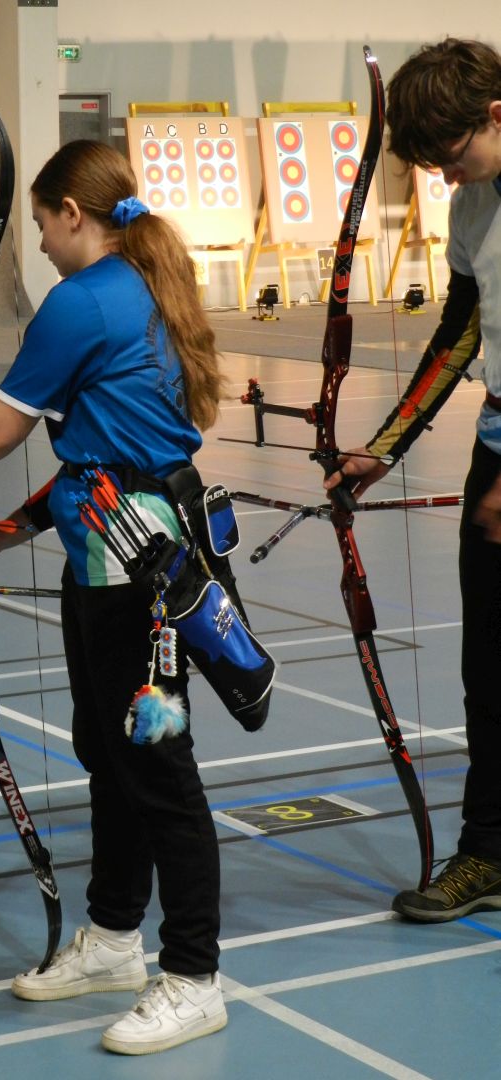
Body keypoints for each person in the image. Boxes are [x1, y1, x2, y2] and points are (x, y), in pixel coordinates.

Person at [0, 140, 229, 1053]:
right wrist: (14, 530)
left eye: (42, 223)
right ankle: (116, 936)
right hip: (116, 551)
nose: (39, 242)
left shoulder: (85, 299)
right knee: (111, 754)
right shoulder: (144, 280)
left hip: (136, 570)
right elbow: (108, 451)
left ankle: (194, 977)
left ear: (73, 214)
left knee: (157, 769)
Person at [325, 38, 501, 922]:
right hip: (497, 441)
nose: (444, 176)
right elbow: (462, 330)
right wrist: (386, 446)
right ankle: (490, 853)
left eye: (452, 154)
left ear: (497, 114)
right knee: (490, 670)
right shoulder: (474, 205)